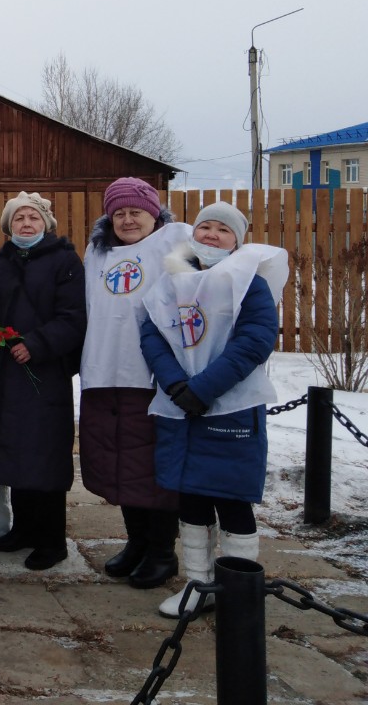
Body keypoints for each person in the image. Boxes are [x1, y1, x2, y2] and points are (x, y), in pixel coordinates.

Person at [140, 202, 287, 617]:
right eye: (205, 226)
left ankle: (238, 586)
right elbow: (153, 333)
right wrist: (175, 384)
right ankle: (198, 582)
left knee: (232, 498)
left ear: (237, 240)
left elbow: (255, 340)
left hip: (229, 408)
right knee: (192, 499)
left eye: (223, 229)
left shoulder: (248, 283)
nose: (211, 235)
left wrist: (203, 388)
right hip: (181, 407)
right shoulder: (173, 281)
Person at [79, 177, 192, 590]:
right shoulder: (98, 252)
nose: (127, 220)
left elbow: (196, 292)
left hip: (150, 375)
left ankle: (162, 550)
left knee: (151, 468)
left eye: (136, 212)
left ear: (154, 214)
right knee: (119, 464)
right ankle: (136, 542)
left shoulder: (173, 243)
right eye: (119, 213)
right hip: (104, 371)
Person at [0, 193, 86, 570]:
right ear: (9, 227)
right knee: (13, 448)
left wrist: (35, 345)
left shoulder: (65, 261)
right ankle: (22, 527)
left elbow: (73, 316)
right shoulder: (0, 262)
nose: (26, 223)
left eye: (33, 218)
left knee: (44, 454)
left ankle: (52, 540)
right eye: (19, 218)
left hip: (42, 371)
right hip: (3, 372)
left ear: (46, 225)